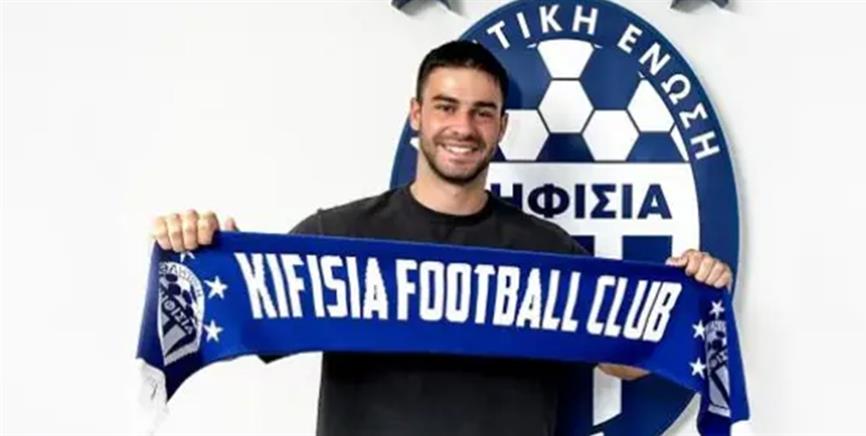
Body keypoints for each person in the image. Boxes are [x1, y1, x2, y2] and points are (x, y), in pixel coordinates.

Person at [151, 41, 733, 436]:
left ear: (501, 127)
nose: (463, 127)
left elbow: (623, 357)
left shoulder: (546, 249)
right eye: (446, 107)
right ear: (416, 115)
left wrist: (689, 293)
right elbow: (250, 316)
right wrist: (209, 253)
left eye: (482, 112)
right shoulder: (339, 235)